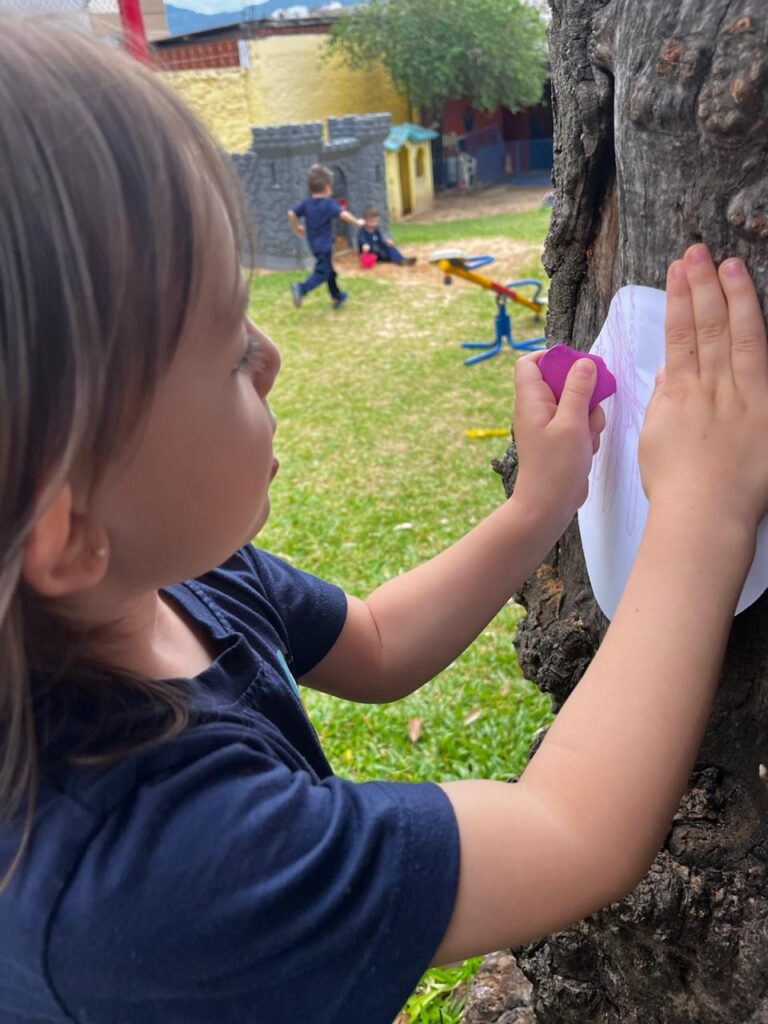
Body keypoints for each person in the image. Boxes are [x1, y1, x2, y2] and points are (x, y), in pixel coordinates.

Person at [2, 19, 768, 1024]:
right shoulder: (146, 872)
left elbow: (372, 642)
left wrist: (540, 506)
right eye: (228, 353)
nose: (271, 356)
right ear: (68, 533)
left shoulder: (162, 577)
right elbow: (570, 832)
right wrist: (702, 512)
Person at [287, 164, 363, 309]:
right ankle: (301, 288)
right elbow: (343, 214)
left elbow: (291, 213)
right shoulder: (328, 204)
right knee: (323, 272)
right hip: (325, 247)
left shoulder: (306, 203)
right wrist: (357, 222)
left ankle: (336, 296)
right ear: (327, 188)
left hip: (314, 246)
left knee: (329, 271)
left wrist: (296, 227)